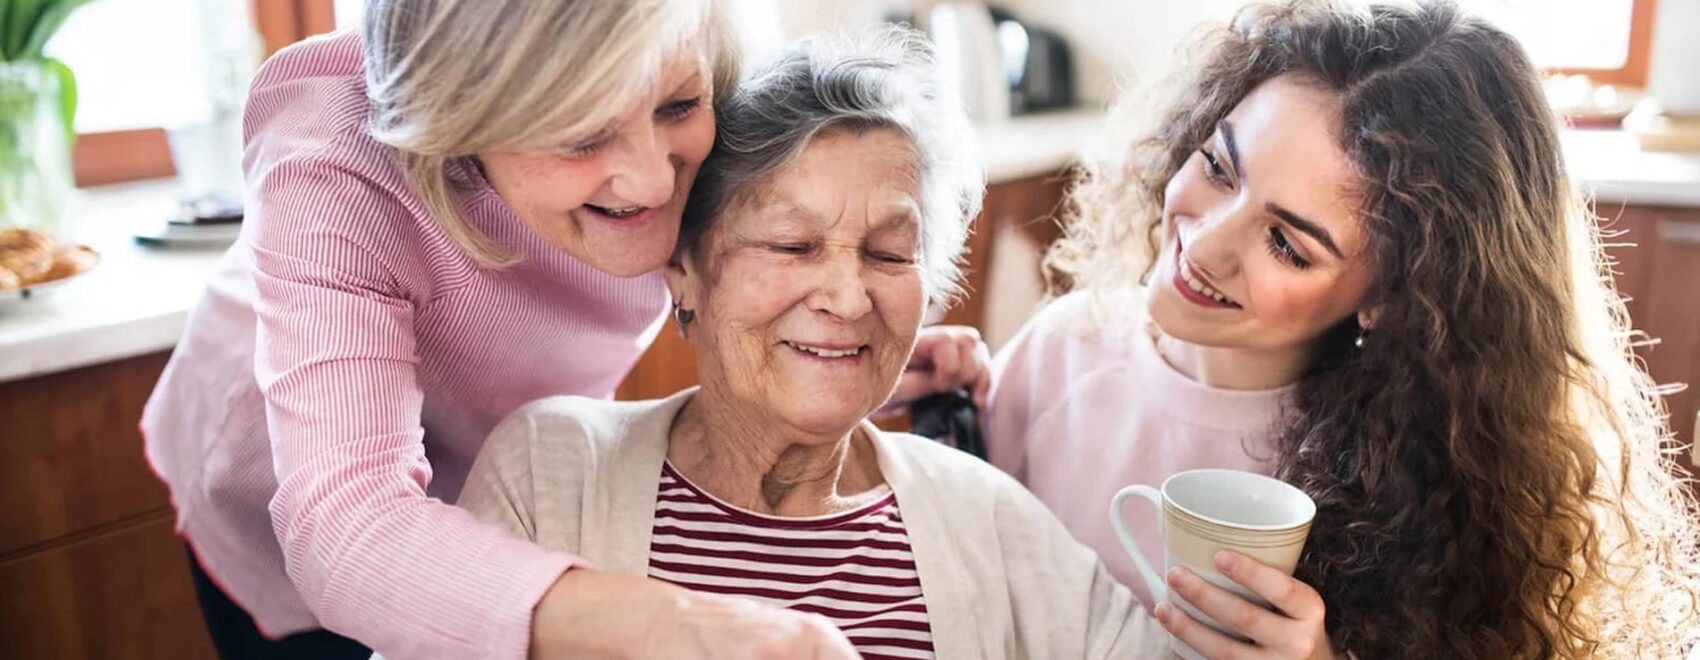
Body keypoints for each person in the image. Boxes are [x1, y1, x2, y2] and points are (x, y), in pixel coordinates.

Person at [139, 1, 977, 658]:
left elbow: (745, 273)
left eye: (677, 104)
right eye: (583, 134)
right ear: (463, 116)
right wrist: (685, 627)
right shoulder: (333, 143)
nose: (654, 181)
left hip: (504, 459)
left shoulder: (693, 66)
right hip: (285, 502)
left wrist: (828, 356)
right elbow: (348, 530)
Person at [957, 0, 1700, 657]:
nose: (1205, 245)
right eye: (1218, 167)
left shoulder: (1435, 478)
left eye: (1287, 244)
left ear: (1394, 295)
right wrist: (926, 416)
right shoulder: (1060, 352)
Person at [458, 30, 1168, 660]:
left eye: (889, 255)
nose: (850, 298)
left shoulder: (987, 519)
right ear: (683, 267)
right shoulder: (551, 473)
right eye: (793, 245)